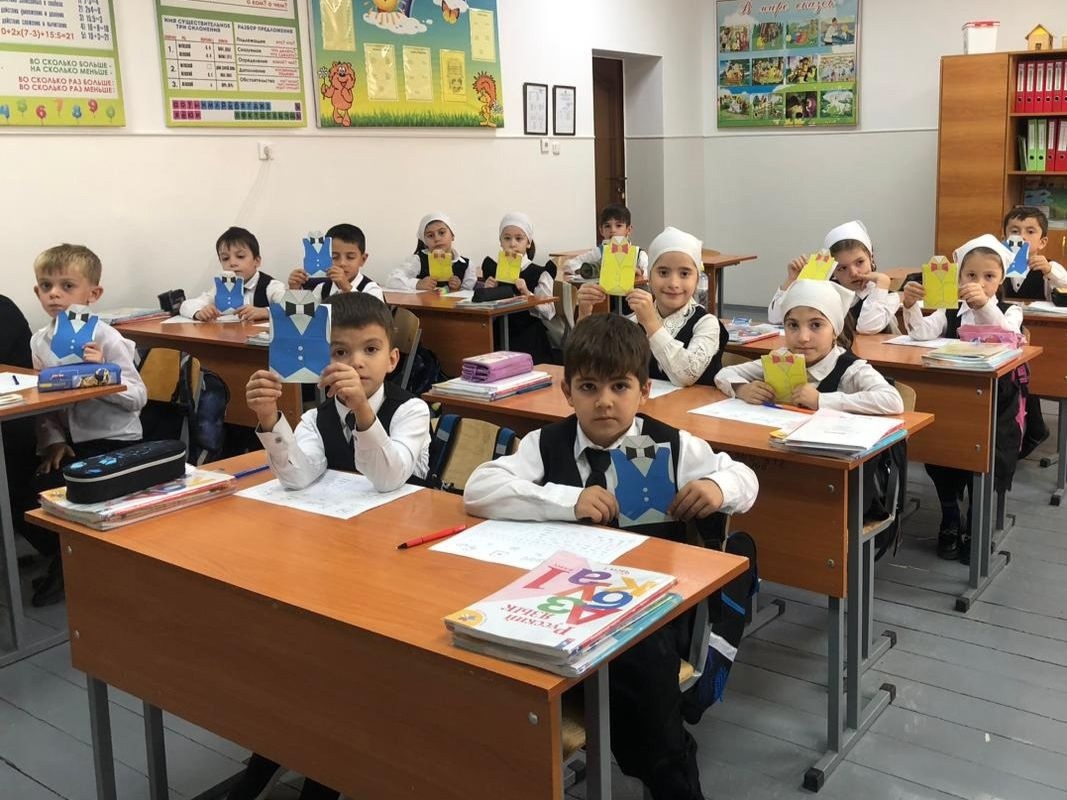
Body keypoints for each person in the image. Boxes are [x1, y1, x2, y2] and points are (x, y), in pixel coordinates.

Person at [464, 313, 758, 800]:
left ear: (644, 390)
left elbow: (745, 479)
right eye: (589, 387)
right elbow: (480, 488)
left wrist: (715, 486)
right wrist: (567, 500)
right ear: (567, 392)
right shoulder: (545, 443)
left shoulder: (672, 444)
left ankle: (668, 771)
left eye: (620, 386)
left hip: (652, 612)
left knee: (635, 665)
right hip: (563, 605)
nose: (604, 401)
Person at [234, 293, 431, 800]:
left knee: (343, 672)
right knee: (306, 657)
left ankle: (325, 768)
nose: (355, 363)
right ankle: (285, 747)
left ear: (392, 358)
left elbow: (389, 477)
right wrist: (269, 418)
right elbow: (297, 476)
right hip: (341, 555)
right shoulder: (317, 417)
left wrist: (363, 410)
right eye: (341, 353)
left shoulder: (410, 409)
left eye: (370, 350)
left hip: (404, 564)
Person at [26, 244, 147, 606]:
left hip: (116, 439)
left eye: (67, 286)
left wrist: (101, 376)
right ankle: (66, 556)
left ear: (93, 294)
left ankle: (71, 567)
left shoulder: (106, 338)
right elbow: (44, 403)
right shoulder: (40, 341)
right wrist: (53, 441)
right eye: (46, 286)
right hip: (71, 441)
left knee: (75, 488)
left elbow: (137, 397)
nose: (55, 294)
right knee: (31, 489)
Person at [900, 234, 1026, 561]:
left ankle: (975, 519)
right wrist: (910, 306)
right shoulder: (951, 309)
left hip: (995, 403)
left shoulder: (1011, 311)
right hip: (952, 398)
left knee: (981, 461)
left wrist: (984, 306)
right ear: (959, 277)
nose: (978, 284)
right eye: (970, 275)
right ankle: (950, 514)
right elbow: (920, 334)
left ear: (1001, 280)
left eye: (989, 276)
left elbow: (1008, 336)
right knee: (940, 452)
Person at [717, 279, 903, 414]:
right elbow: (723, 374)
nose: (803, 338)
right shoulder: (781, 359)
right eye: (793, 325)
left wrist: (821, 400)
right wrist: (742, 389)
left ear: (835, 331)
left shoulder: (849, 369)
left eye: (816, 325)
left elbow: (892, 400)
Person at [577, 226, 726, 386]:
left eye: (684, 274)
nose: (673, 283)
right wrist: (584, 315)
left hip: (698, 402)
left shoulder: (707, 323)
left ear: (696, 280)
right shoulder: (634, 322)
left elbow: (686, 376)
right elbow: (594, 366)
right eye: (663, 273)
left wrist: (651, 323)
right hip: (648, 401)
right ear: (649, 277)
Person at [1002, 206, 1065, 456]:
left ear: (1042, 241)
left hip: (1041, 336)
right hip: (1007, 334)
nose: (1022, 237)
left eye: (1030, 231)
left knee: (1036, 374)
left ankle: (1033, 429)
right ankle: (1019, 429)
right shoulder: (997, 263)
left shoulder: (1048, 268)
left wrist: (1049, 270)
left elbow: (1065, 286)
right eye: (1015, 231)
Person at [769, 220, 899, 334]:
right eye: (842, 268)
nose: (853, 273)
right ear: (833, 271)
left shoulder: (887, 296)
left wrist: (882, 282)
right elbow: (776, 318)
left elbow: (866, 328)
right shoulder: (828, 293)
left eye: (859, 262)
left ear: (871, 258)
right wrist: (792, 280)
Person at [478, 212, 556, 364]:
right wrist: (487, 292)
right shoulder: (493, 270)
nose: (512, 244)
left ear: (528, 243)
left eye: (519, 239)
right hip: (498, 335)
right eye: (507, 238)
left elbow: (549, 312)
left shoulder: (539, 272)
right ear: (500, 242)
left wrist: (527, 294)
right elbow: (485, 312)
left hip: (528, 338)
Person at [180, 227, 286, 322]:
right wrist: (199, 312)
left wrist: (265, 312)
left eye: (240, 256)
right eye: (225, 258)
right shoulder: (221, 288)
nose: (232, 263)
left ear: (257, 261)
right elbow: (186, 305)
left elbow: (293, 307)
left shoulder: (271, 286)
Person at [287, 223, 384, 301]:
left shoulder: (371, 289)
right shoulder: (322, 288)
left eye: (350, 257)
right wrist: (295, 289)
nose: (342, 263)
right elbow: (306, 316)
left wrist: (346, 288)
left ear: (363, 259)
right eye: (334, 257)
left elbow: (371, 316)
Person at [386, 212, 476, 291]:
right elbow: (392, 280)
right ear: (425, 242)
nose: (437, 239)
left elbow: (469, 295)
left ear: (452, 236)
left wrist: (459, 288)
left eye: (441, 233)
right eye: (430, 235)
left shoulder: (467, 265)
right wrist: (417, 284)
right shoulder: (418, 260)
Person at [562, 203, 650, 280]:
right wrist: (587, 271)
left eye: (618, 226)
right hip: (604, 293)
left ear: (628, 230)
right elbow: (569, 265)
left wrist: (639, 272)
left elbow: (649, 275)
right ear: (601, 231)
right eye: (607, 226)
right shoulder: (599, 252)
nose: (613, 230)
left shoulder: (639, 254)